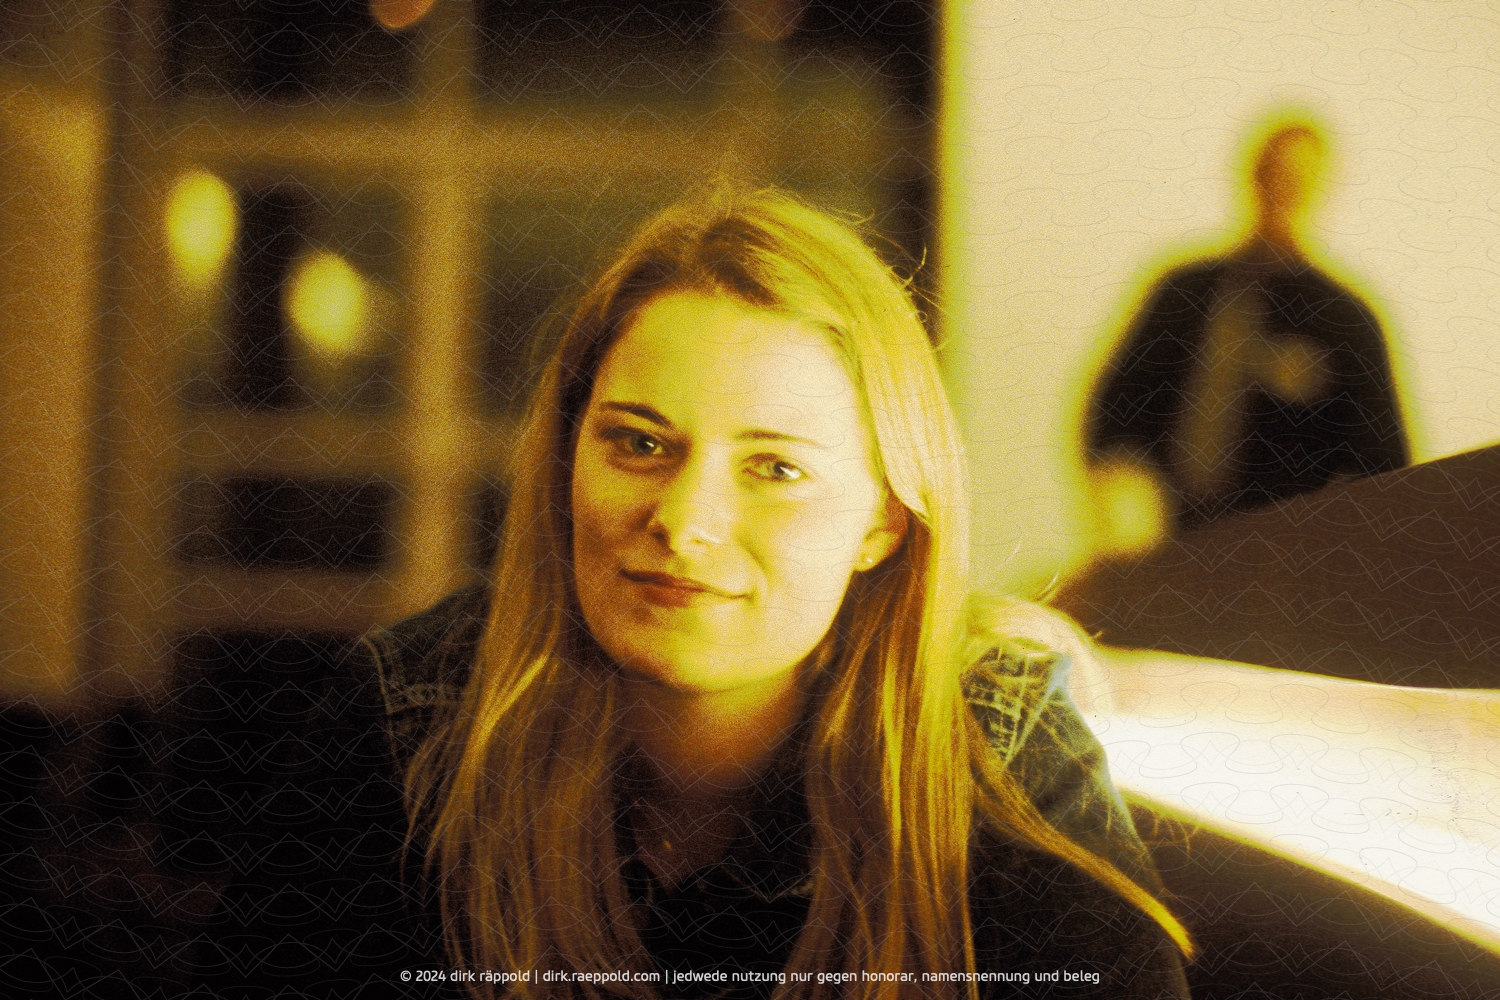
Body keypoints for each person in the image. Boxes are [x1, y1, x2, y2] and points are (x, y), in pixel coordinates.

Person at [200, 187, 1192, 999]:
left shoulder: (994, 741)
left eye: (775, 468)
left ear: (884, 522)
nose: (684, 520)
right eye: (639, 443)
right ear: (566, 462)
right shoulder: (413, 716)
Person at [1087, 124, 1409, 533]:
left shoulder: (1346, 319)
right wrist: (1122, 494)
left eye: (1297, 179)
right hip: (1175, 534)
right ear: (1253, 175)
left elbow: (1382, 461)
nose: (1283, 190)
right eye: (1274, 174)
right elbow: (1115, 410)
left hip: (1289, 545)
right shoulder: (1183, 292)